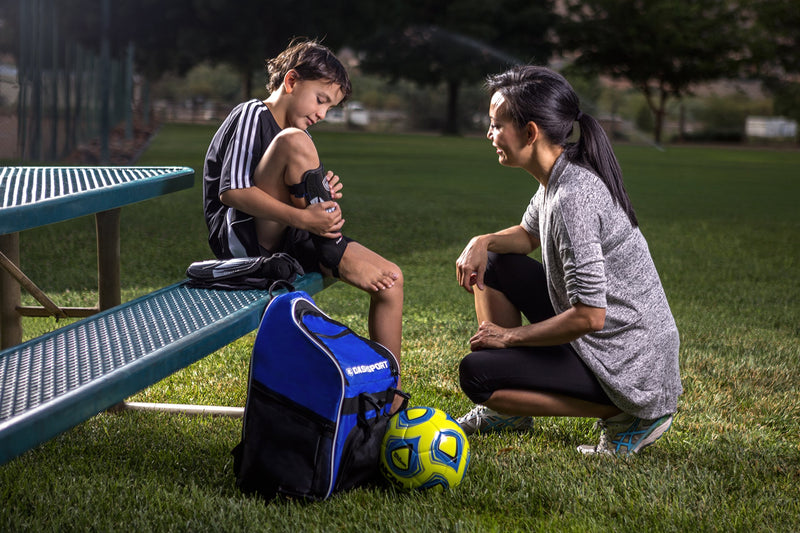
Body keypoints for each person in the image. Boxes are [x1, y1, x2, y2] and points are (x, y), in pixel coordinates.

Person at [454, 65, 681, 455]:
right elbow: (527, 236)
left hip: (630, 365)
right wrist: (482, 241)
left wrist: (508, 338)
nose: (490, 134)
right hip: (602, 341)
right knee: (493, 262)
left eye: (496, 125)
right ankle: (508, 413)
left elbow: (589, 317)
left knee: (478, 376)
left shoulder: (573, 198)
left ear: (530, 133)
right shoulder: (558, 178)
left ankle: (629, 414)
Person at [203, 39, 404, 410]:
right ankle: (330, 245)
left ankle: (389, 404)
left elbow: (292, 190)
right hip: (243, 239)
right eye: (321, 100)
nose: (323, 113)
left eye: (330, 107)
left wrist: (321, 190)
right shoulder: (252, 114)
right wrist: (306, 216)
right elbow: (231, 191)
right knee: (295, 141)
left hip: (290, 238)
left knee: (392, 280)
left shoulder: (300, 136)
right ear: (292, 81)